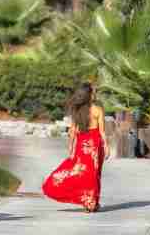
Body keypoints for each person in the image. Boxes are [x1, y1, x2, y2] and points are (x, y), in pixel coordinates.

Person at [42, 82, 110, 212]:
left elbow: (72, 131)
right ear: (89, 95)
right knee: (94, 174)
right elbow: (102, 131)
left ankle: (90, 202)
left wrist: (71, 148)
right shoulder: (97, 109)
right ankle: (91, 202)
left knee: (79, 172)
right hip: (95, 145)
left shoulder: (76, 110)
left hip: (81, 144)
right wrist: (106, 146)